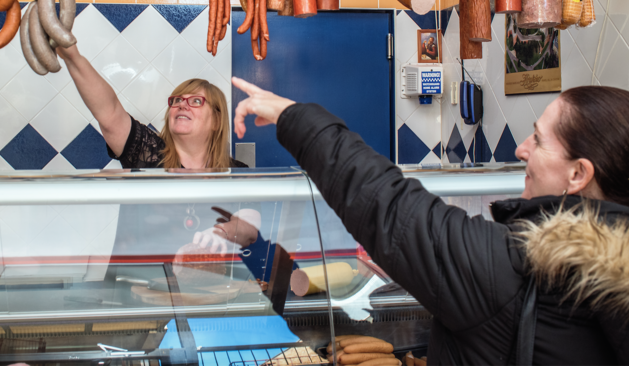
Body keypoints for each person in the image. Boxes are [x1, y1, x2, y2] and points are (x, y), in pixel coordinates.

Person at [231, 77, 629, 365]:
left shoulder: (519, 268)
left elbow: (386, 204)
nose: (522, 149)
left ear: (578, 174)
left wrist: (291, 116)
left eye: (539, 140)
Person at [57, 44, 246, 169]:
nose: (182, 105)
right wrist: (72, 57)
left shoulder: (237, 171)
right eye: (177, 100)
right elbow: (110, 113)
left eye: (196, 101)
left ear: (217, 121)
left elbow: (250, 218)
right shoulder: (147, 150)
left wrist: (227, 230)